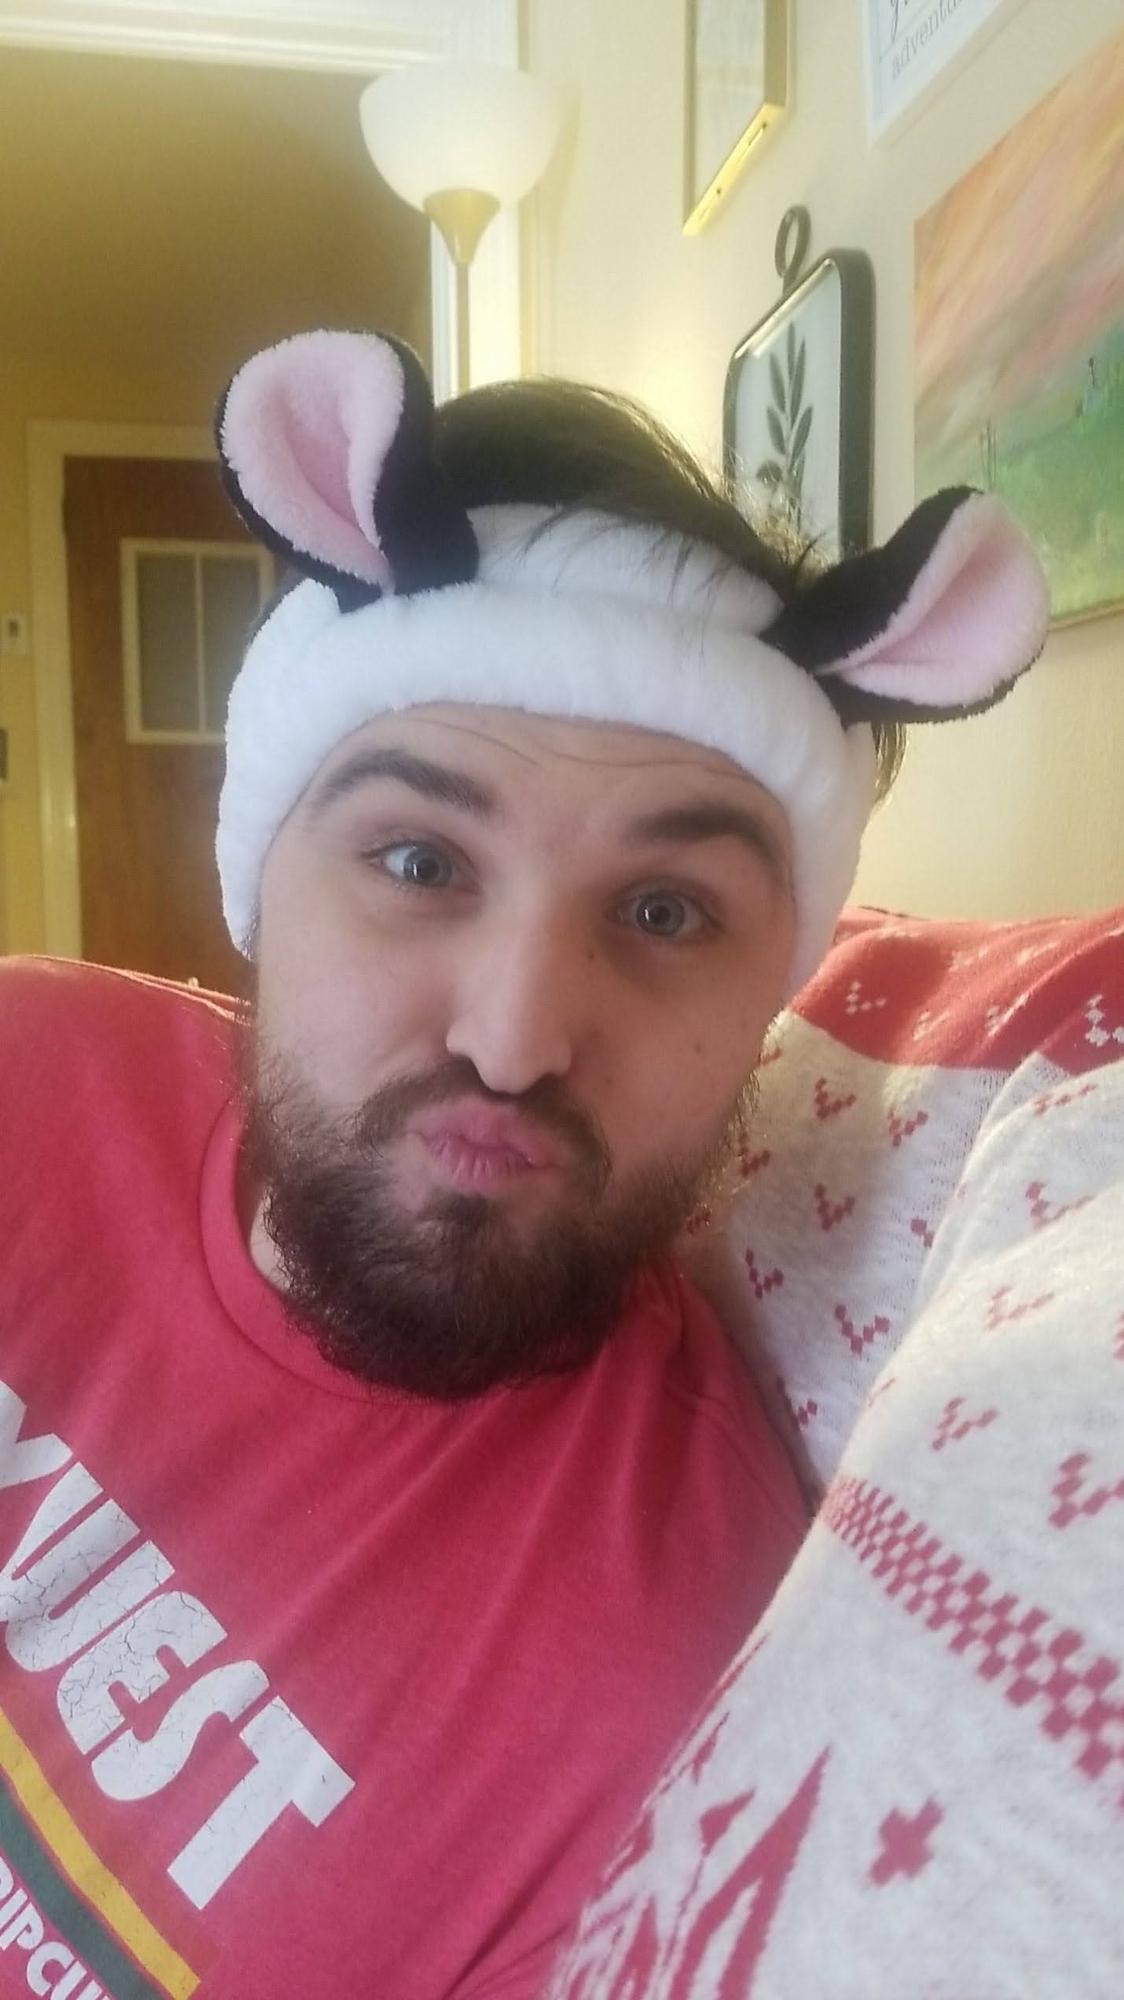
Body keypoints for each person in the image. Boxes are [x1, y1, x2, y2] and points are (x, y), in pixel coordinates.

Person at [0, 330, 1047, 2000]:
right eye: (420, 860)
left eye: (665, 912)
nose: (514, 1038)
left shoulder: (673, 1705)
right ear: (263, 887)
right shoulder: (28, 1070)